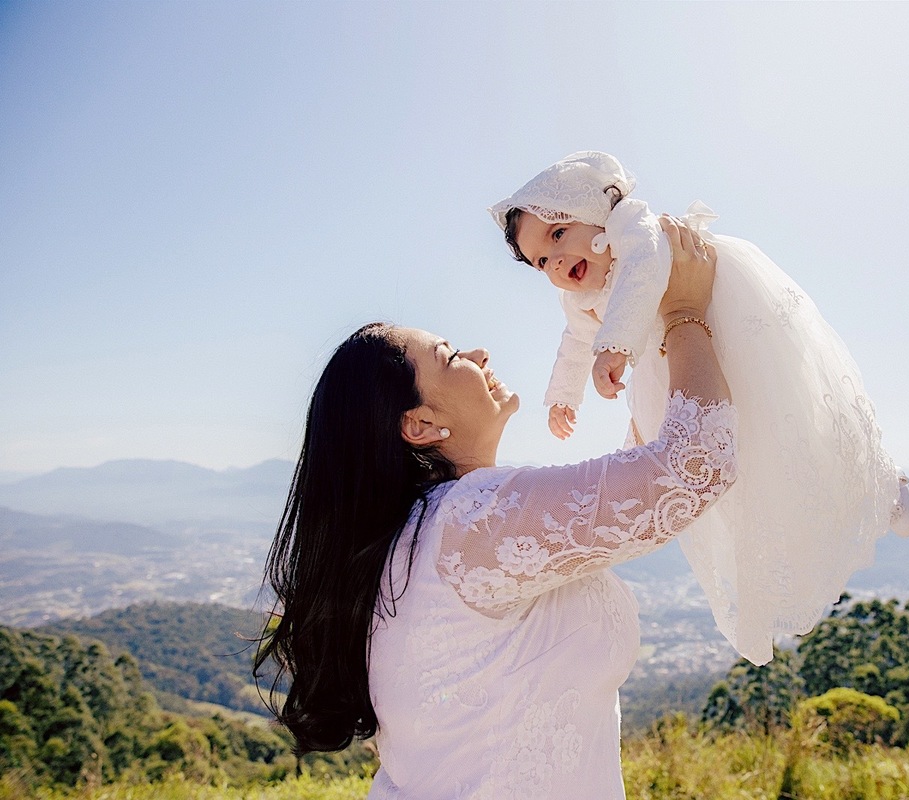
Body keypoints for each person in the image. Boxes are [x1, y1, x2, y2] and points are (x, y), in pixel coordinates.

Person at [255, 220, 734, 798]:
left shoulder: (421, 534)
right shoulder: (471, 523)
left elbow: (633, 486)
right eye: (450, 356)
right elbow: (693, 467)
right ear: (421, 424)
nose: (479, 353)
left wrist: (648, 346)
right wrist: (684, 311)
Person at [488, 151, 909, 667]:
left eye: (558, 234)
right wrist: (563, 396)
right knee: (743, 457)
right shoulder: (580, 298)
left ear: (593, 209)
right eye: (541, 262)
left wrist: (615, 344)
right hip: (674, 352)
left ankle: (880, 481)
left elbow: (644, 275)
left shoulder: (634, 229)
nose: (555, 263)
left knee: (793, 411)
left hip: (726, 321)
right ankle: (799, 522)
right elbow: (574, 342)